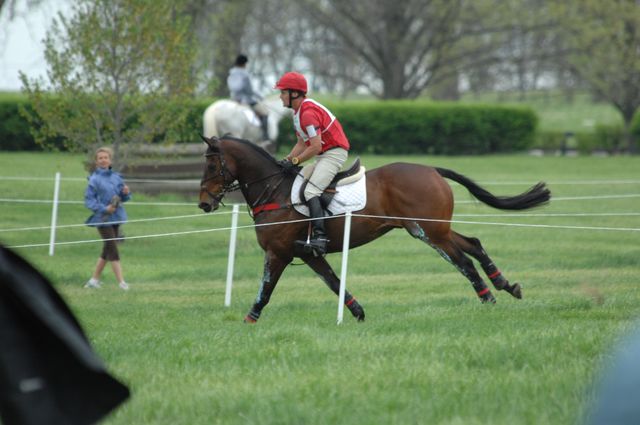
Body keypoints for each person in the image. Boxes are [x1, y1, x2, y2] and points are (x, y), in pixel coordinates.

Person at [275, 71, 350, 255]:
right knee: (298, 182)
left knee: (311, 191)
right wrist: (286, 160)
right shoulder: (297, 113)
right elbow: (301, 143)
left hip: (333, 154)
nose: (280, 96)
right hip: (324, 154)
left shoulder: (307, 114)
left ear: (294, 93)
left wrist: (294, 161)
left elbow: (315, 146)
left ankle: (321, 237)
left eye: (283, 92)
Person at [84, 147, 131, 290]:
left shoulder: (116, 177)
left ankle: (93, 281)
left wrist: (126, 193)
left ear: (110, 160)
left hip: (116, 217)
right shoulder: (94, 180)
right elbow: (89, 202)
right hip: (102, 219)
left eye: (106, 157)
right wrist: (105, 209)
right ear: (96, 162)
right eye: (100, 158)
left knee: (107, 250)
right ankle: (122, 283)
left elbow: (124, 198)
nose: (103, 160)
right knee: (113, 249)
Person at [227, 54, 270, 142]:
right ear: (244, 64)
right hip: (245, 100)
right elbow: (250, 90)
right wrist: (260, 96)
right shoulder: (245, 74)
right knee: (265, 112)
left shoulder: (231, 73)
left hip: (234, 99)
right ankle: (265, 136)